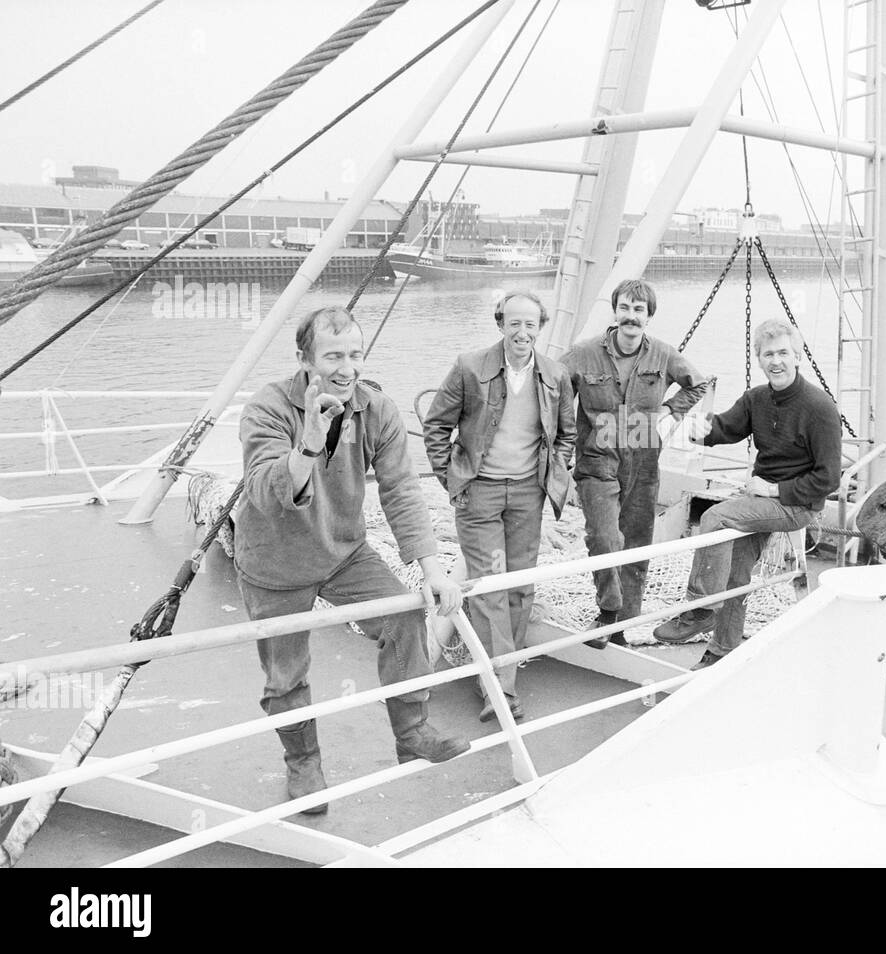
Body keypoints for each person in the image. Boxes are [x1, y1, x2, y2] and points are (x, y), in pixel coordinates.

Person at [236, 306, 468, 814]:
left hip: (343, 550)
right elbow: (262, 491)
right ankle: (304, 765)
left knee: (405, 613)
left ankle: (411, 731)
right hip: (274, 560)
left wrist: (430, 568)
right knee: (285, 675)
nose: (347, 368)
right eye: (333, 356)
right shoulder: (267, 407)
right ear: (304, 360)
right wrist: (307, 447)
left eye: (355, 354)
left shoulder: (376, 408)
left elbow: (402, 492)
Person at [653, 318, 842, 669]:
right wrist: (698, 431)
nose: (776, 361)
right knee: (735, 575)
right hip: (760, 500)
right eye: (768, 354)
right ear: (759, 359)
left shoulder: (820, 408)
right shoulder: (757, 399)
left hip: (796, 504)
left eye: (783, 352)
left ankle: (699, 609)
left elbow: (829, 478)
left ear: (798, 356)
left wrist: (774, 488)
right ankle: (722, 650)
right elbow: (726, 426)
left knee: (715, 516)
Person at [423, 291, 576, 723]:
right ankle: (499, 688)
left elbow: (566, 434)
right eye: (514, 323)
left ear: (540, 327)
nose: (522, 332)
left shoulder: (556, 375)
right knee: (490, 584)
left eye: (530, 324)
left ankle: (495, 672)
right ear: (500, 324)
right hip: (481, 494)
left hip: (528, 495)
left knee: (521, 586)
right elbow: (436, 425)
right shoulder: (470, 367)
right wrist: (453, 480)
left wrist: (553, 474)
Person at [560, 278, 710, 647]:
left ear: (648, 316)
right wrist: (561, 442)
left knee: (638, 544)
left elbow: (698, 384)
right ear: (615, 311)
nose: (631, 316)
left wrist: (670, 413)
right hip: (597, 460)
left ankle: (622, 627)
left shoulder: (662, 354)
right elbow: (552, 387)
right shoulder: (583, 353)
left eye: (638, 310)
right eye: (625, 308)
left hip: (643, 461)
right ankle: (609, 609)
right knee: (604, 537)